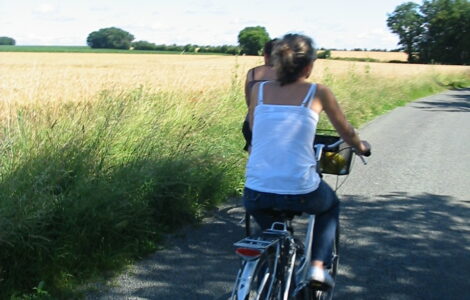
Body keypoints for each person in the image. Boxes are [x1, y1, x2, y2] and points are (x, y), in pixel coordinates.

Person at [243, 33, 371, 289]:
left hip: (255, 191)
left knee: (269, 230)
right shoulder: (318, 91)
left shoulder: (259, 89)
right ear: (309, 65)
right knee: (329, 206)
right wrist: (361, 147)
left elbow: (257, 131)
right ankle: (317, 267)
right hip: (301, 189)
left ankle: (266, 276)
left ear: (275, 63)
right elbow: (346, 132)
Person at [242, 39, 278, 152]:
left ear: (265, 55)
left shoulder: (252, 73)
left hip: (251, 124)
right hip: (276, 127)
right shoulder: (288, 75)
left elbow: (248, 100)